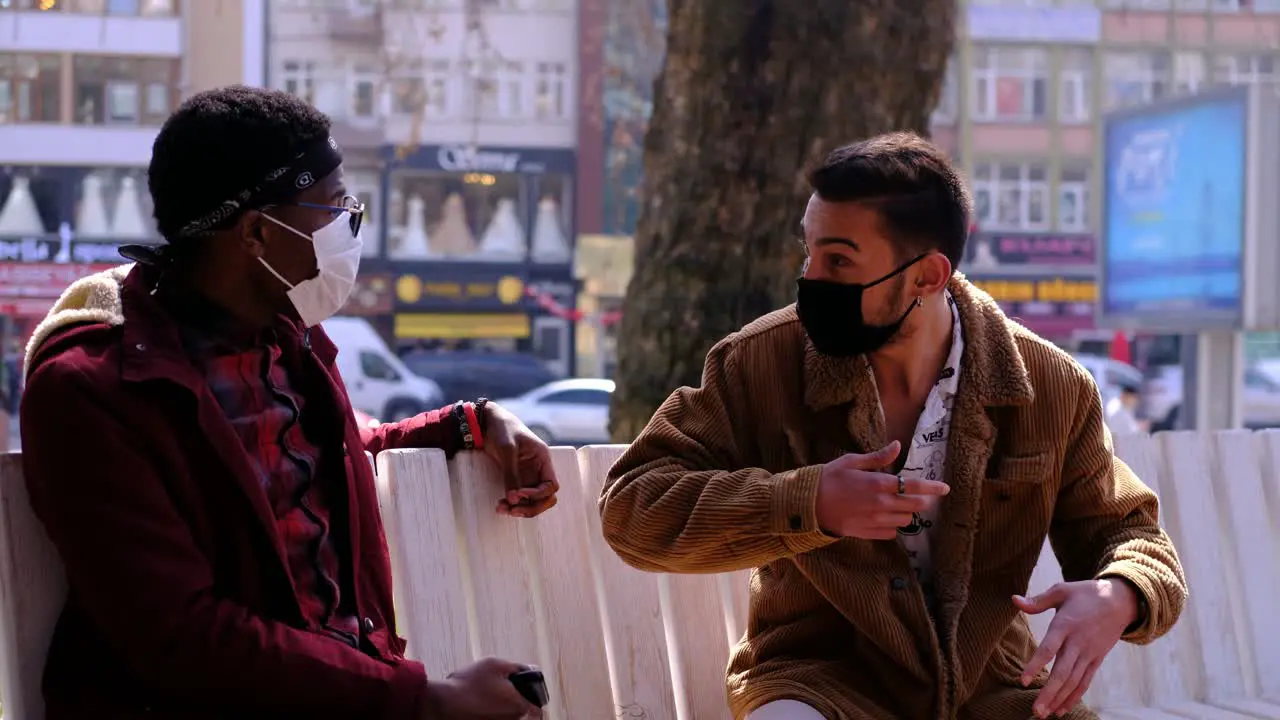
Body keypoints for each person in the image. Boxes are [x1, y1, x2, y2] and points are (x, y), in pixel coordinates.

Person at [599, 133, 1187, 720]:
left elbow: (1131, 535)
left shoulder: (1050, 388)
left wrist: (1121, 594)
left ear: (927, 277)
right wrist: (808, 502)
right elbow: (632, 508)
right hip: (817, 684)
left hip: (994, 697)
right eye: (810, 254)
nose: (811, 279)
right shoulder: (758, 363)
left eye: (839, 261)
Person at [20, 86, 557, 719]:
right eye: (332, 207)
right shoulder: (91, 389)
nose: (349, 225)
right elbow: (179, 636)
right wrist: (426, 701)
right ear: (254, 232)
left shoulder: (283, 334)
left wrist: (472, 425)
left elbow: (318, 453)